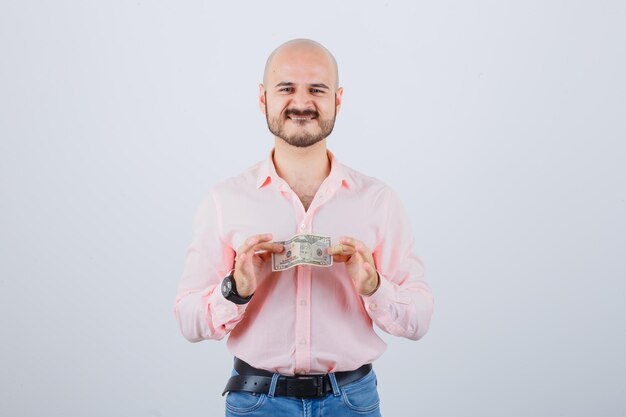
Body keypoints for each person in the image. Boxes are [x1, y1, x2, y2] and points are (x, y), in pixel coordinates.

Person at [173, 38, 434, 417]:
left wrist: (375, 287)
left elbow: (421, 319)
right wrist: (236, 289)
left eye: (317, 89)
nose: (301, 103)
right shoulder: (224, 200)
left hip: (352, 401)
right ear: (263, 99)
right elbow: (188, 320)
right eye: (286, 88)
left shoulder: (378, 200)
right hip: (256, 402)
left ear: (338, 100)